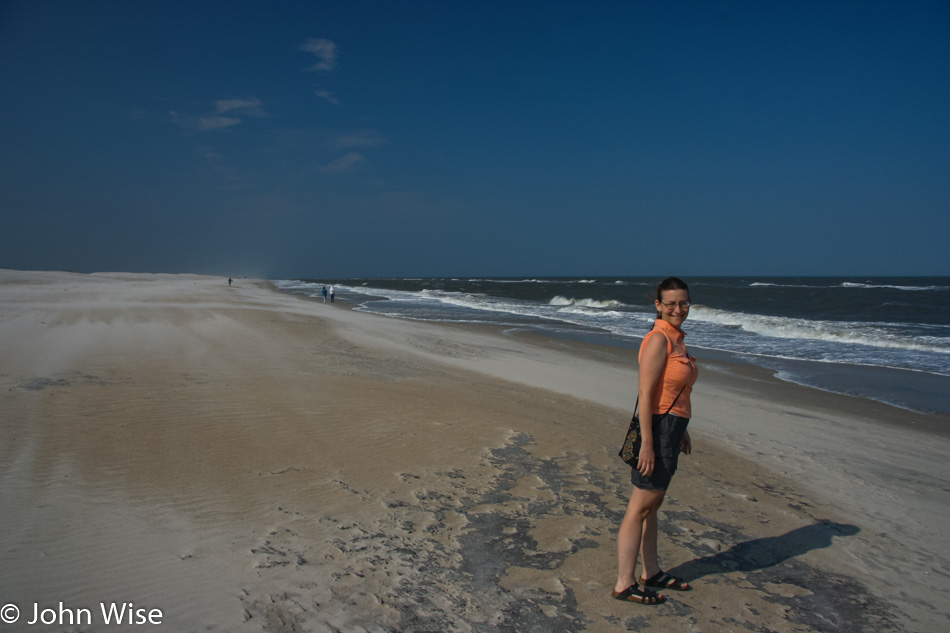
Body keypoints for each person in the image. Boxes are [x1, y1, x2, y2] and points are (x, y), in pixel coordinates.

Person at [613, 277, 698, 605]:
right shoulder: (658, 339)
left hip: (670, 429)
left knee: (652, 505)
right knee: (641, 506)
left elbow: (674, 391)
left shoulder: (677, 340)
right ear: (658, 306)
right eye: (672, 304)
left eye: (684, 303)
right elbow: (646, 394)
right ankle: (624, 582)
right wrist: (648, 442)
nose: (679, 309)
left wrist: (683, 430)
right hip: (657, 431)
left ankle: (652, 571)